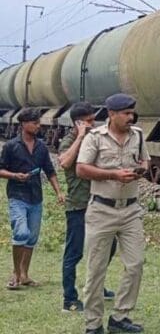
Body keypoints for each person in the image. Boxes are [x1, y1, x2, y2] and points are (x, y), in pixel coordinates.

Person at [77, 93, 149, 334]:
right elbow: (81, 169)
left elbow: (145, 162)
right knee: (96, 270)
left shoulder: (138, 136)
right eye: (126, 113)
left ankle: (120, 317)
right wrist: (113, 175)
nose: (131, 117)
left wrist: (139, 170)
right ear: (111, 114)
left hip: (130, 210)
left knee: (135, 264)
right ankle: (93, 324)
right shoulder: (95, 138)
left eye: (132, 113)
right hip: (101, 211)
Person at [59, 101, 116, 312]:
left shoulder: (96, 138)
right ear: (78, 122)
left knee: (109, 246)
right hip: (78, 205)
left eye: (94, 119)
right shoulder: (69, 140)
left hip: (98, 201)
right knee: (74, 252)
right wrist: (81, 136)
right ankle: (69, 299)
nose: (94, 123)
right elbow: (64, 163)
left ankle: (97, 287)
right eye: (89, 121)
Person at [0, 107, 64, 290]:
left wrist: (59, 192)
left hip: (36, 197)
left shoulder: (41, 147)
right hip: (17, 196)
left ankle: (24, 275)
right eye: (35, 123)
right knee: (21, 232)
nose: (38, 126)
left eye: (38, 122)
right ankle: (15, 273)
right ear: (23, 124)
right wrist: (14, 176)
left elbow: (50, 172)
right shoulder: (11, 146)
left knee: (32, 237)